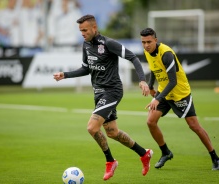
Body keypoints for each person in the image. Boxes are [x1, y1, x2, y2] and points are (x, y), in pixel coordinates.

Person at [53, 14, 153, 181]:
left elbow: (133, 57)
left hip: (112, 91)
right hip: (99, 93)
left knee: (92, 128)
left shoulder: (108, 43)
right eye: (80, 30)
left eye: (85, 30)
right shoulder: (85, 45)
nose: (82, 33)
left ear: (94, 28)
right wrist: (66, 75)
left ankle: (110, 161)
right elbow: (86, 68)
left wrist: (142, 80)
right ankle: (144, 154)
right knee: (113, 132)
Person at [140, 28, 219, 170]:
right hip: (163, 92)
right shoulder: (147, 52)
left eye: (149, 42)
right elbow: (154, 69)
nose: (146, 45)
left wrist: (158, 98)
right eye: (143, 42)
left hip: (179, 92)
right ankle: (166, 152)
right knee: (151, 122)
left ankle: (215, 157)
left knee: (194, 126)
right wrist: (151, 85)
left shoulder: (166, 54)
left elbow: (173, 82)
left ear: (155, 40)